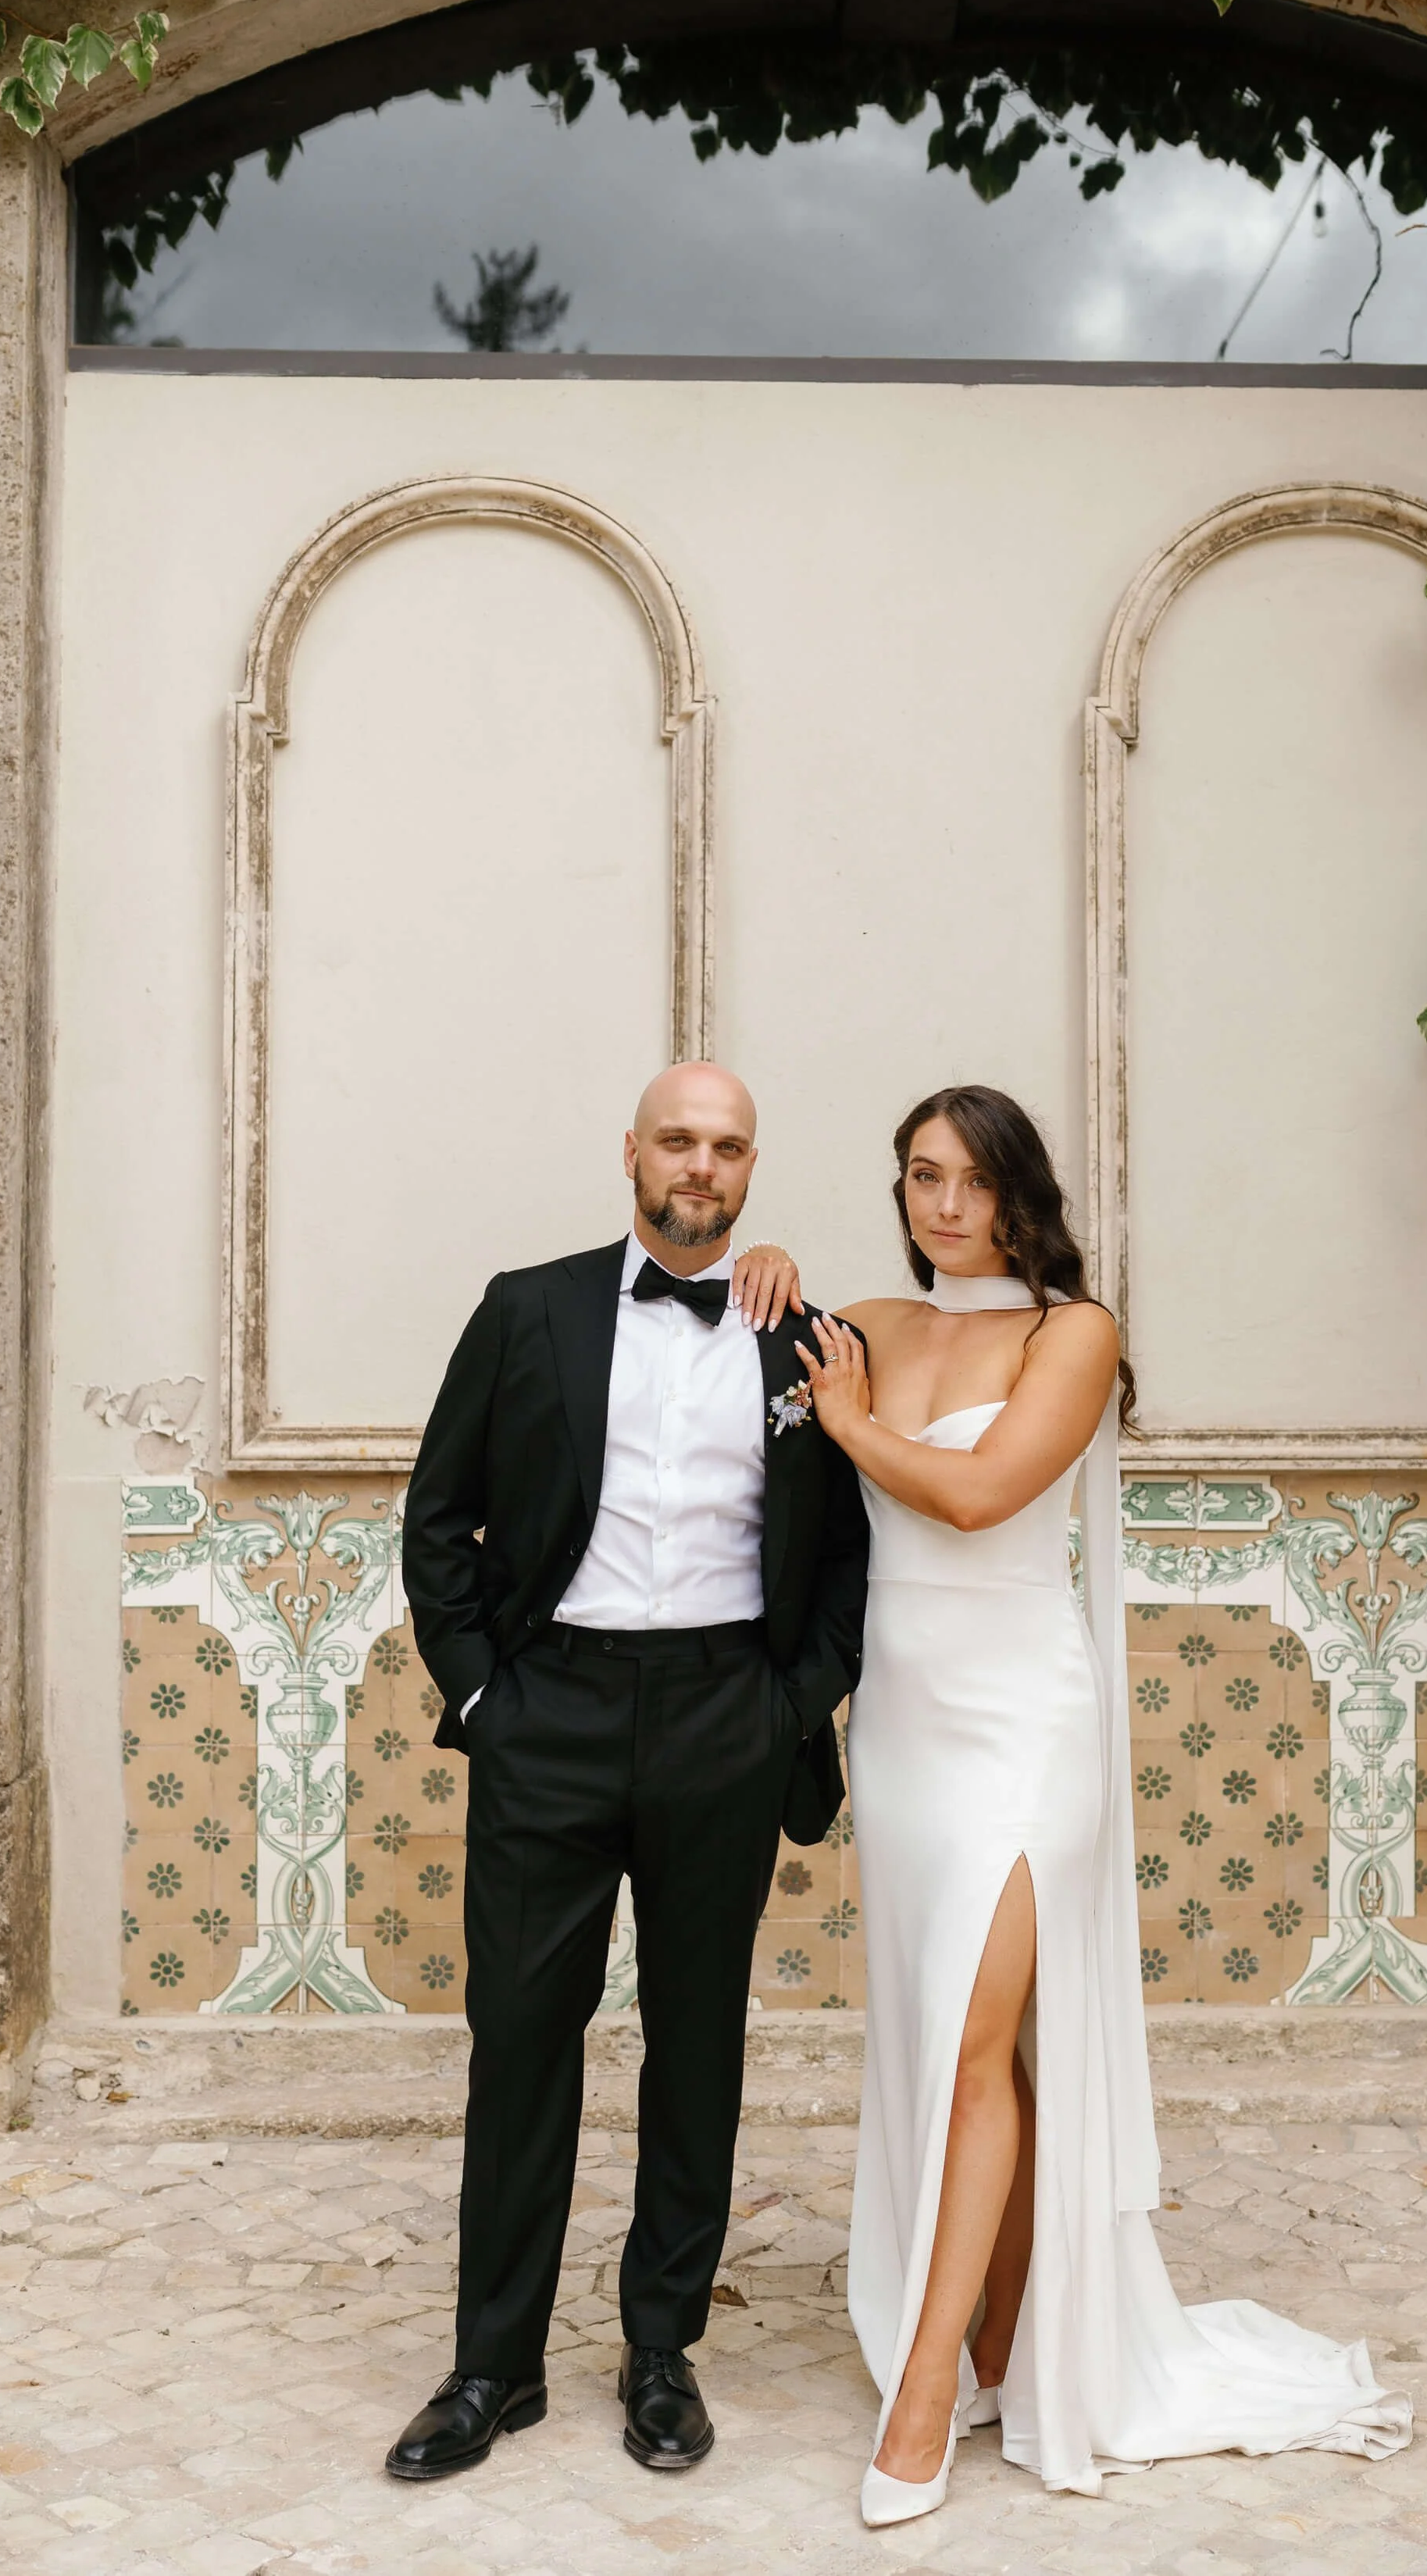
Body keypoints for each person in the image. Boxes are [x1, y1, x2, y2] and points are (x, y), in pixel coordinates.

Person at [790, 1084, 1411, 2524]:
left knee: (979, 2034)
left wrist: (847, 1422)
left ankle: (929, 2396)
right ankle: (1003, 2330)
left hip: (1023, 1722)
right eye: (921, 1177)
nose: (946, 1203)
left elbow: (979, 1496)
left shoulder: (1076, 1331)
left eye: (972, 1178)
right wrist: (769, 1281)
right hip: (900, 1725)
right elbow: (741, 1344)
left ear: (1021, 1191)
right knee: (947, 2034)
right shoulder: (871, 1323)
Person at [385, 1062, 865, 2484]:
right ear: (632, 1154)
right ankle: (494, 2365)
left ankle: (662, 2349)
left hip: (728, 1707)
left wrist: (795, 1702)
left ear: (752, 1167)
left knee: (696, 2038)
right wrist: (483, 1692)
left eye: (726, 1147)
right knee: (522, 2036)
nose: (700, 1166)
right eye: (678, 1139)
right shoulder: (526, 1306)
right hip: (555, 1711)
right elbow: (438, 1515)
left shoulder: (810, 1341)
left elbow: (847, 1551)